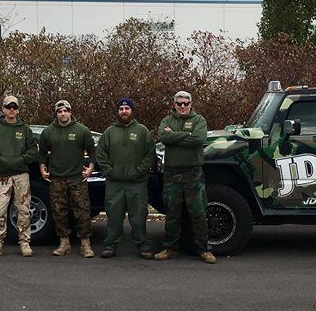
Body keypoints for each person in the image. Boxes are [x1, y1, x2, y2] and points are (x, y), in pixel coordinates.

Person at [154, 90, 216, 264]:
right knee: (172, 213)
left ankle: (204, 250)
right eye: (179, 103)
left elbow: (198, 139)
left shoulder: (199, 120)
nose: (182, 106)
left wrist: (175, 136)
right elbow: (163, 136)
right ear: (174, 104)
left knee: (198, 213)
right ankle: (170, 248)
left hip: (193, 175)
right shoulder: (167, 120)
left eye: (185, 103)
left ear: (191, 104)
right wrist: (185, 135)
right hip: (172, 175)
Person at [96, 98, 156, 259]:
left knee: (138, 217)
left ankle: (143, 246)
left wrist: (139, 171)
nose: (124, 111)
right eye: (121, 109)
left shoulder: (142, 131)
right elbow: (100, 153)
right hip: (115, 183)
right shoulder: (109, 132)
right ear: (117, 112)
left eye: (127, 108)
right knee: (114, 216)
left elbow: (150, 154)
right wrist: (110, 171)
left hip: (137, 183)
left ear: (132, 111)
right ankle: (111, 245)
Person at [38, 100, 97, 258]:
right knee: (59, 212)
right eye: (60, 111)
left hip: (77, 178)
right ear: (56, 114)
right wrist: (42, 168)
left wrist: (90, 168)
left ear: (70, 112)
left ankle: (86, 244)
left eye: (66, 111)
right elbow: (42, 153)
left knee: (82, 211)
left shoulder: (82, 130)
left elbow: (92, 151)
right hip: (56, 179)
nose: (63, 114)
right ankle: (64, 243)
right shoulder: (48, 132)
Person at [0, 95, 38, 257]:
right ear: (3, 109)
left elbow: (33, 150)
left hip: (21, 175)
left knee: (24, 210)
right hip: (1, 175)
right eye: (8, 107)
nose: (11, 110)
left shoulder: (25, 129)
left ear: (18, 109)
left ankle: (25, 242)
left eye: (14, 107)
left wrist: (21, 160)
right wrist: (0, 160)